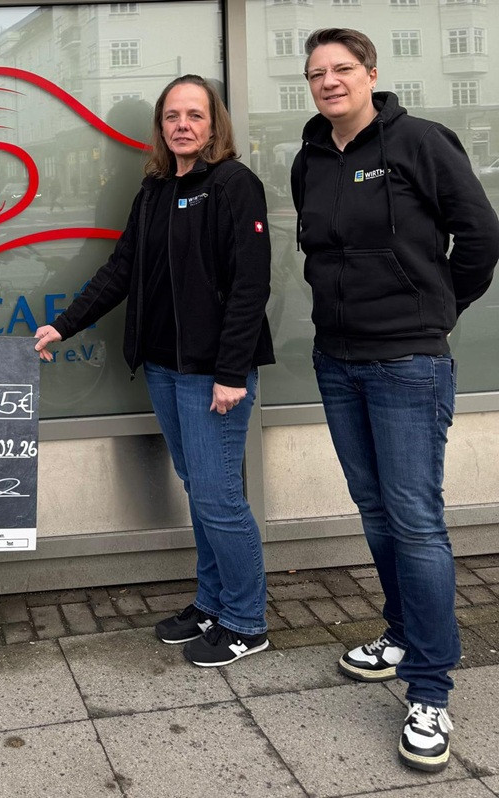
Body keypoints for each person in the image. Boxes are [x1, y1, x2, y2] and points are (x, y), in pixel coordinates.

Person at [291, 28, 499, 773]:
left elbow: (478, 234)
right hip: (338, 362)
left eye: (342, 69)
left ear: (372, 74)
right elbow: (319, 251)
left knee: (415, 520)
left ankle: (431, 689)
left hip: (408, 362)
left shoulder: (420, 143)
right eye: (316, 72)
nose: (329, 81)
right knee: (376, 511)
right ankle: (405, 632)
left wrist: (437, 307)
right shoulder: (311, 157)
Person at [35, 75, 274, 667]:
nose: (183, 125)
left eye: (195, 114)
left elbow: (250, 286)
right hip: (166, 369)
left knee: (219, 497)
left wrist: (231, 372)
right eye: (172, 116)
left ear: (214, 123)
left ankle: (247, 620)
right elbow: (121, 270)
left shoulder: (234, 185)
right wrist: (65, 324)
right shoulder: (156, 189)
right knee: (200, 492)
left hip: (212, 373)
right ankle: (212, 602)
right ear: (161, 128)